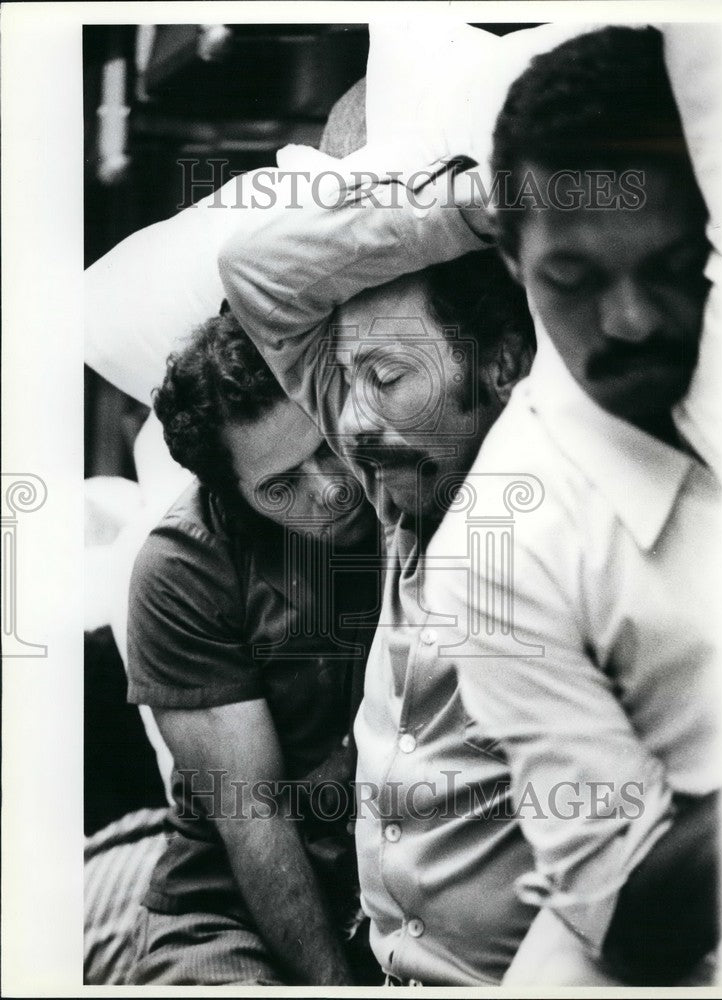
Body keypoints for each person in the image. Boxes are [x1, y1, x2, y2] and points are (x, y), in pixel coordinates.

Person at [426, 26, 721, 985]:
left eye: (677, 269)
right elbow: (628, 908)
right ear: (513, 259)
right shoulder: (504, 546)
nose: (633, 320)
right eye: (576, 280)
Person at [219, 152, 545, 984]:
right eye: (348, 378)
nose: (351, 422)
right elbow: (253, 275)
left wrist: (535, 214)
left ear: (502, 366)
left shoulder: (544, 493)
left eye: (388, 377)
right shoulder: (404, 481)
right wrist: (468, 207)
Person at [125, 309, 383, 986]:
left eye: (324, 445)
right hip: (232, 912)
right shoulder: (183, 568)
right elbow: (253, 816)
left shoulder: (410, 475)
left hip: (402, 897)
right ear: (232, 497)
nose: (329, 488)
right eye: (280, 486)